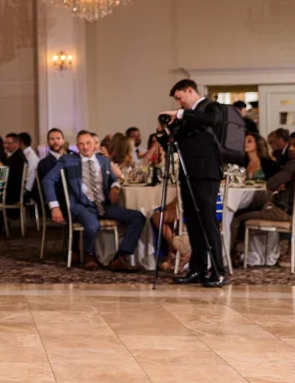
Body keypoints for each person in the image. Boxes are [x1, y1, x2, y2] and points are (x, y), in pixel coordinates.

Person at [42, 130, 145, 271]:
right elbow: (48, 180)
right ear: (76, 146)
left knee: (138, 217)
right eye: (81, 144)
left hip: (104, 206)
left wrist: (115, 187)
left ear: (94, 144)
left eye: (88, 143)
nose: (85, 147)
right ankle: (89, 255)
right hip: (81, 206)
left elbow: (115, 179)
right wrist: (54, 206)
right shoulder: (68, 160)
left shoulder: (103, 160)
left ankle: (120, 257)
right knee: (92, 225)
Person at [160, 79, 226, 287]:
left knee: (208, 222)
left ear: (190, 91)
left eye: (180, 98)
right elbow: (174, 143)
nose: (180, 103)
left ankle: (217, 271)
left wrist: (180, 115)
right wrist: (164, 131)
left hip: (207, 173)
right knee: (193, 223)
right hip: (188, 173)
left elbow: (211, 121)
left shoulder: (211, 107)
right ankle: (197, 269)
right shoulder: (187, 116)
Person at [230, 131, 295, 260]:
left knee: (237, 216)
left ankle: (231, 254)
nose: (290, 148)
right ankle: (251, 253)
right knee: (255, 207)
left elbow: (271, 184)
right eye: (290, 145)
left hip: (282, 212)